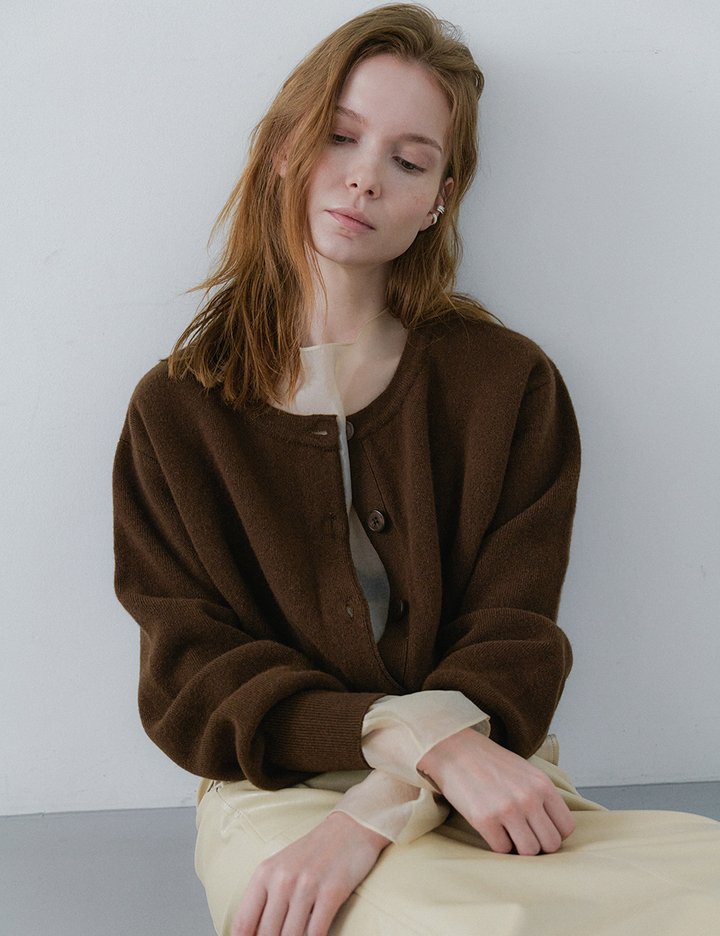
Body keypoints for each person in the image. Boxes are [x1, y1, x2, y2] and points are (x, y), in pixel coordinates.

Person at [112, 5, 720, 935]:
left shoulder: (507, 384)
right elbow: (192, 677)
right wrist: (399, 739)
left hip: (490, 769)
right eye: (340, 136)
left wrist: (393, 795)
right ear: (283, 146)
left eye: (409, 159)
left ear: (440, 196)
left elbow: (515, 637)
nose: (365, 176)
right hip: (277, 789)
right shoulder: (176, 410)